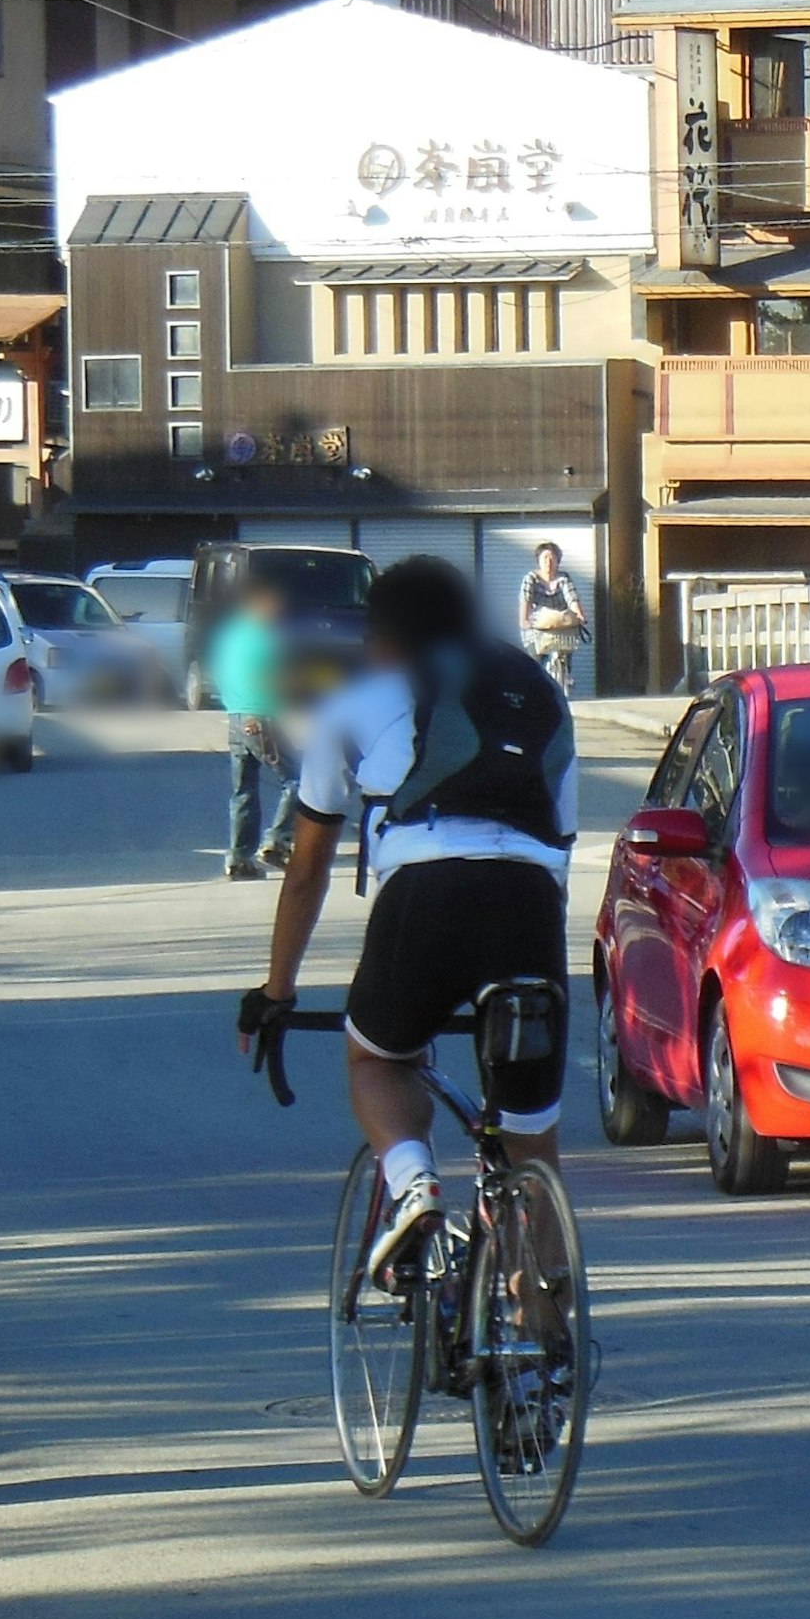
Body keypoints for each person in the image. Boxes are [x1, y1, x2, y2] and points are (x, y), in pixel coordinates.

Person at [237, 556, 577, 1288]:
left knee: (380, 1058)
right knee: (530, 1141)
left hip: (425, 894)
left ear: (384, 636)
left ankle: (415, 1182)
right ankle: (541, 1358)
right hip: (529, 908)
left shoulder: (356, 702)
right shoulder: (540, 697)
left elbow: (306, 870)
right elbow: (562, 842)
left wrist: (277, 992)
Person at [210, 581, 293, 880]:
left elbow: (220, 674)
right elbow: (274, 679)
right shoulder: (265, 638)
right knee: (299, 780)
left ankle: (238, 858)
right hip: (260, 716)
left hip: (235, 716)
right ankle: (277, 841)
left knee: (243, 790)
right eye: (273, 606)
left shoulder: (230, 636)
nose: (277, 612)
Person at [515, 543, 590, 700]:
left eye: (552, 558)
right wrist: (524, 620)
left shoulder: (563, 579)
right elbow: (526, 600)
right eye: (545, 558)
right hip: (538, 627)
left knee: (566, 646)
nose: (548, 562)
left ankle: (566, 675)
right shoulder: (531, 578)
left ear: (558, 561)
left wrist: (579, 615)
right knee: (535, 663)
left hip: (560, 625)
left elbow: (572, 598)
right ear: (538, 560)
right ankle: (533, 694)